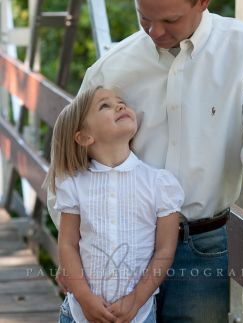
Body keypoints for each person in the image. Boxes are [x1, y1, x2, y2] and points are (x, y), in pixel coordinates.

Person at [48, 0, 243, 322]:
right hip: (116, 251)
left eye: (169, 20)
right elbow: (67, 161)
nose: (154, 32)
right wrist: (74, 257)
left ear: (203, 0)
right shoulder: (110, 69)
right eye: (144, 17)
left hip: (202, 247)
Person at [46, 86, 184, 323]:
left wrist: (135, 301)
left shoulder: (160, 185)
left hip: (137, 315)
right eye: (104, 106)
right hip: (81, 314)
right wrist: (85, 298)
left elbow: (164, 251)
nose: (120, 106)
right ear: (85, 137)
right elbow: (67, 244)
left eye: (121, 102)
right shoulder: (74, 184)